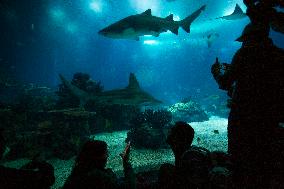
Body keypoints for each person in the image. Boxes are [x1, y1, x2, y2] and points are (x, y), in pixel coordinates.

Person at [63, 140, 136, 189]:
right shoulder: (102, 177)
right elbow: (131, 186)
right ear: (97, 157)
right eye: (105, 153)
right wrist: (125, 161)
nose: (107, 155)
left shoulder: (76, 173)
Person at [158, 121, 211, 189]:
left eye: (172, 133)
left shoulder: (190, 158)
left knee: (165, 168)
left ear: (177, 139)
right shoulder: (186, 154)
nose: (168, 137)